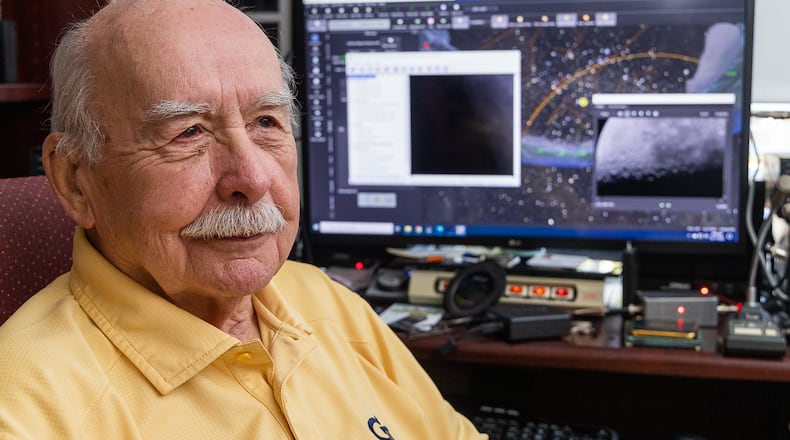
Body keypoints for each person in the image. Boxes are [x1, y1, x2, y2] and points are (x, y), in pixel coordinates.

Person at [0, 0, 485, 438]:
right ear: (75, 179)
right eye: (189, 132)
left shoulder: (325, 300)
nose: (252, 178)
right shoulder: (28, 408)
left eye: (265, 122)